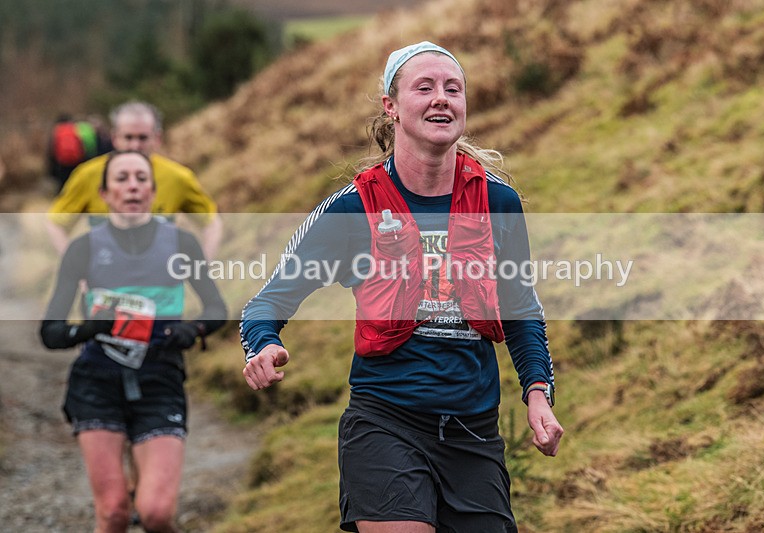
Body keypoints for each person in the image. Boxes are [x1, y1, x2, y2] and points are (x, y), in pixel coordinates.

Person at [240, 41, 563, 532]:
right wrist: (263, 345)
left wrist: (537, 392)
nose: (441, 98)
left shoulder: (498, 202)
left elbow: (521, 310)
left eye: (453, 89)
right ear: (391, 107)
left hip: (473, 433)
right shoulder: (354, 208)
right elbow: (266, 303)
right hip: (385, 424)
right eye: (425, 87)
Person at [40, 150, 227, 532]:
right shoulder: (83, 248)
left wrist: (192, 330)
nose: (132, 186)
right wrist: (90, 328)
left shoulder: (181, 243)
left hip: (160, 379)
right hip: (96, 383)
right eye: (122, 178)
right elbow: (51, 332)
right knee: (113, 514)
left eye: (141, 178)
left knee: (156, 513)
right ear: (105, 193)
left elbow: (216, 308)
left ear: (153, 191)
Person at [45, 101, 223, 260]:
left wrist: (201, 269)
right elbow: (56, 223)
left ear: (157, 138)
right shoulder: (88, 174)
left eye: (143, 138)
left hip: (159, 288)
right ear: (114, 137)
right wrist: (75, 269)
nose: (135, 146)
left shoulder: (178, 177)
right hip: (103, 286)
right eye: (128, 137)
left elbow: (211, 222)